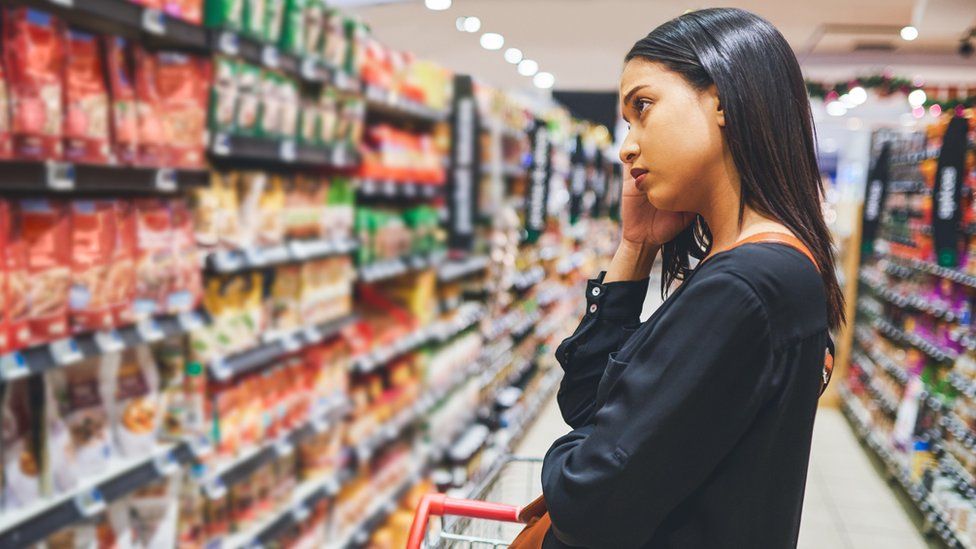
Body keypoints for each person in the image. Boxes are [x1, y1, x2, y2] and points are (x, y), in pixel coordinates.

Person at [540, 8, 844, 548]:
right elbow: (587, 402)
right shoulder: (758, 267)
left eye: (643, 107)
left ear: (722, 98)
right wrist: (635, 247)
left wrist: (570, 456)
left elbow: (584, 499)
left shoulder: (745, 286)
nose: (626, 145)